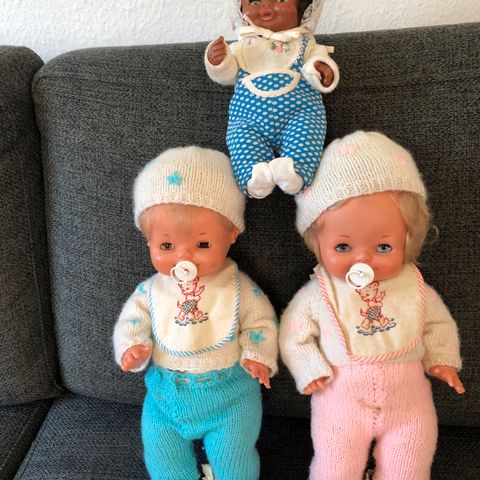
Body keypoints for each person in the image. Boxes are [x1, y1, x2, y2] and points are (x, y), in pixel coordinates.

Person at [279, 131, 464, 480]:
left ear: (409, 240)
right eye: (343, 247)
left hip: (409, 407)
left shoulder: (414, 288)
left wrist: (442, 359)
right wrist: (309, 369)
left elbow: (438, 324)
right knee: (334, 468)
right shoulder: (319, 294)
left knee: (409, 467)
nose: (362, 259)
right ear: (317, 244)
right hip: (339, 404)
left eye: (383, 247)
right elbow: (293, 334)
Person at [113, 146, 278, 480]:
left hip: (231, 397)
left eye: (202, 245)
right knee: (162, 457)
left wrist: (258, 355)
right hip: (164, 397)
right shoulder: (150, 293)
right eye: (166, 246)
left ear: (231, 234)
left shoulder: (239, 288)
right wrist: (132, 347)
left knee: (235, 462)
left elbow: (261, 322)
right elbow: (131, 321)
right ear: (148, 242)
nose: (183, 257)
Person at [205, 0, 339, 198]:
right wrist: (218, 61)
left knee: (308, 131)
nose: (266, 5)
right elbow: (226, 75)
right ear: (241, 12)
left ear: (303, 10)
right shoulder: (239, 47)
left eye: (281, 0)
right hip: (248, 120)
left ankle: (295, 171)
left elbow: (318, 62)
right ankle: (254, 175)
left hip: (299, 114)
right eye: (254, 1)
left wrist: (321, 69)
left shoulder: (306, 43)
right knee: (240, 138)